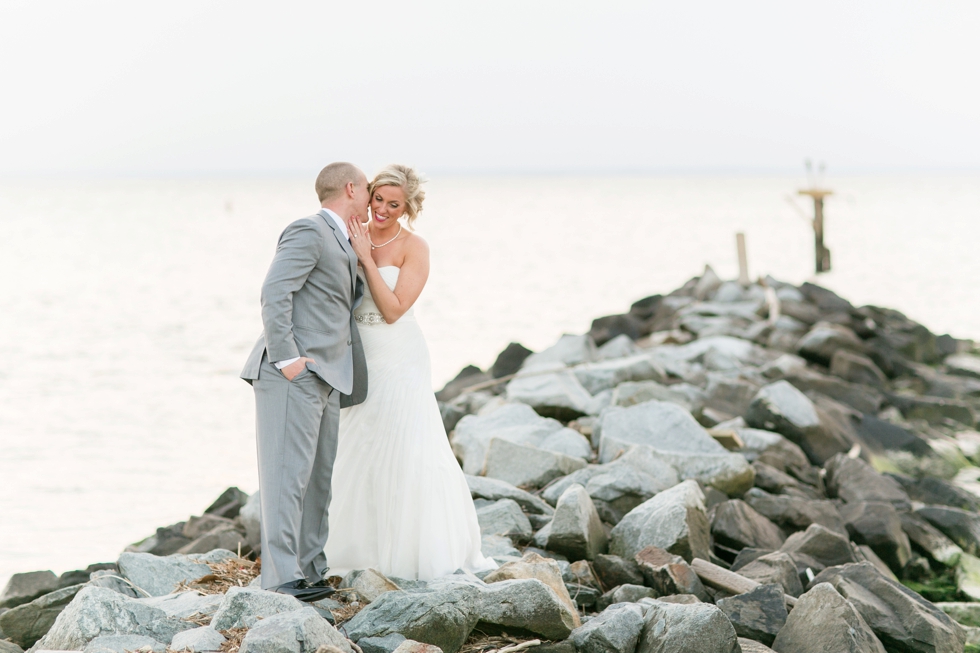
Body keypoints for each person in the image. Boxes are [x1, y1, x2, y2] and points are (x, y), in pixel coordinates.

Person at [324, 164, 496, 580]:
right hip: (358, 355)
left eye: (393, 204)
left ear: (408, 208)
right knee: (357, 443)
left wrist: (365, 258)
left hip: (399, 355)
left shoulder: (414, 247)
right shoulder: (350, 231)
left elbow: (394, 309)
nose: (382, 209)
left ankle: (412, 552)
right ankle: (352, 548)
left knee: (405, 443)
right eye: (378, 199)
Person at [240, 162, 369, 601]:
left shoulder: (344, 239)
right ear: (351, 188)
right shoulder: (309, 230)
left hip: (328, 376)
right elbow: (275, 291)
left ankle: (311, 570)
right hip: (293, 374)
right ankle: (279, 578)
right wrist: (288, 358)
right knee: (286, 477)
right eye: (368, 190)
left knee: (317, 480)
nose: (370, 200)